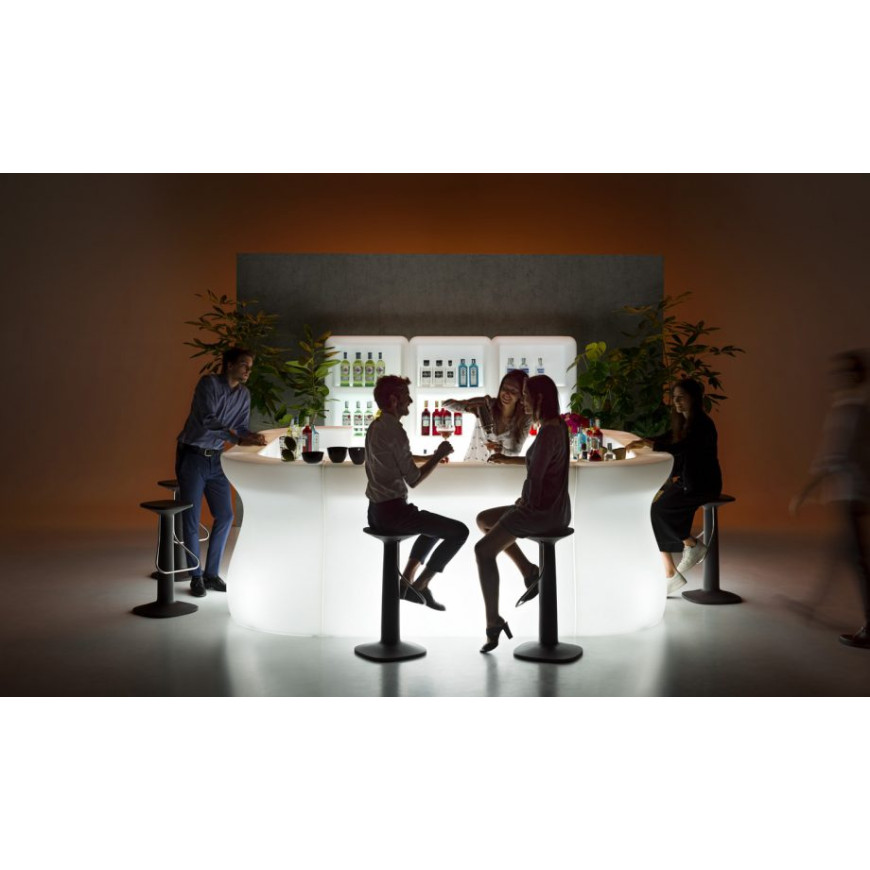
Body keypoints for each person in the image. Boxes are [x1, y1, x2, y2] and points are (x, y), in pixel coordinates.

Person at [474, 375, 571, 653]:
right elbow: (539, 464)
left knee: (483, 551)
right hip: (556, 510)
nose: (522, 401)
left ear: (539, 398)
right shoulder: (558, 426)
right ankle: (529, 571)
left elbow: (536, 479)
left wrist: (524, 503)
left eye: (526, 395)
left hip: (539, 512)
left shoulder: (548, 432)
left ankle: (493, 623)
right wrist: (509, 459)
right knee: (485, 520)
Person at [365, 375, 469, 610]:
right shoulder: (395, 430)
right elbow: (413, 479)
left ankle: (406, 582)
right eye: (406, 396)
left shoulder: (376, 426)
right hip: (393, 514)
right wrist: (438, 455)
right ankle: (421, 585)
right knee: (459, 532)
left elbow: (397, 459)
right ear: (394, 400)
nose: (410, 401)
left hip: (375, 512)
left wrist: (430, 457)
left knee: (431, 528)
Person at [791, 350, 870, 648]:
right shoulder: (857, 409)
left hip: (850, 492)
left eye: (844, 373)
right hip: (855, 491)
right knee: (844, 551)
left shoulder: (848, 411)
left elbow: (835, 456)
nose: (837, 378)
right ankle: (813, 604)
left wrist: (806, 491)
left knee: (857, 558)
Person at [176, 348, 266, 598]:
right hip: (192, 455)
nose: (248, 371)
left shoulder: (244, 394)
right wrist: (237, 440)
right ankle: (195, 576)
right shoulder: (208, 384)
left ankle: (211, 575)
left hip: (216, 459)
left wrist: (252, 436)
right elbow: (207, 419)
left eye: (250, 367)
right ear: (229, 365)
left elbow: (240, 427)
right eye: (244, 365)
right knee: (192, 519)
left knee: (226, 515)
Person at [626, 378, 722, 595]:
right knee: (654, 510)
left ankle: (687, 550)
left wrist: (652, 444)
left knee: (657, 511)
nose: (676, 402)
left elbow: (681, 446)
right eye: (674, 398)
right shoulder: (685, 422)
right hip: (689, 482)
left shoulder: (702, 424)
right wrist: (645, 440)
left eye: (681, 398)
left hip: (703, 485)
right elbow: (670, 438)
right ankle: (677, 563)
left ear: (693, 399)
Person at [443, 369, 532, 462]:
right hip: (473, 465)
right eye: (504, 388)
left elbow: (516, 452)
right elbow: (446, 404)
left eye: (513, 391)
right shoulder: (486, 404)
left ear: (521, 395)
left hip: (502, 470)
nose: (507, 393)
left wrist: (501, 450)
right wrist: (468, 408)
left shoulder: (525, 418)